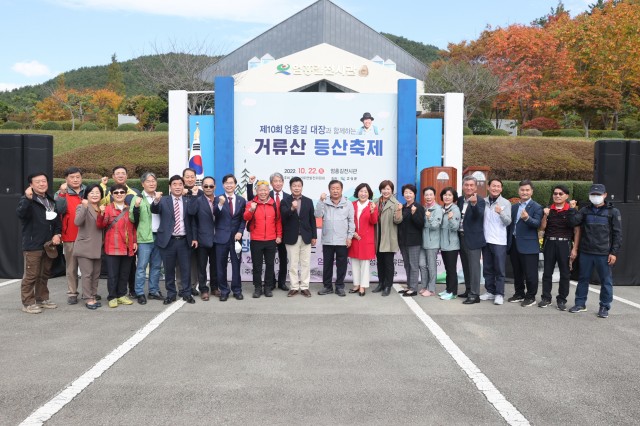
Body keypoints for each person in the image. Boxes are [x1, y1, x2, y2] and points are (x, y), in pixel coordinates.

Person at [568, 184, 622, 318]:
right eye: (593, 194)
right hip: (586, 251)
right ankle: (580, 304)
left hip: (604, 253)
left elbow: (617, 234)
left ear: (605, 195)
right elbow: (573, 222)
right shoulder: (585, 210)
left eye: (598, 195)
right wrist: (571, 209)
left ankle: (604, 307)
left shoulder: (613, 212)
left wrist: (613, 252)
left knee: (606, 281)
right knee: (583, 279)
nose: (595, 197)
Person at [17, 172, 62, 314]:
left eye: (44, 181)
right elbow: (21, 214)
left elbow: (56, 222)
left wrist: (57, 234)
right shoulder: (27, 200)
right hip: (33, 244)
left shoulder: (50, 201)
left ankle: (42, 299)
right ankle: (27, 303)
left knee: (44, 273)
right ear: (31, 185)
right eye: (38, 182)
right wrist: (28, 199)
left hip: (49, 244)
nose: (42, 184)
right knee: (31, 275)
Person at [151, 175, 197, 305]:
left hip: (184, 240)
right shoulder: (163, 200)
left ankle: (187, 293)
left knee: (185, 269)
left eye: (180, 184)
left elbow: (193, 217)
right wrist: (155, 200)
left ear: (183, 186)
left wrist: (194, 237)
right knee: (169, 269)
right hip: (168, 241)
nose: (177, 187)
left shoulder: (188, 200)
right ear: (170, 187)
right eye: (174, 184)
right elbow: (154, 210)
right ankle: (171, 294)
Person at [99, 165, 140, 298]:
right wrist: (103, 186)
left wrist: (134, 241)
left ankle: (129, 292)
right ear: (113, 176)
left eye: (123, 173)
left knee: (127, 271)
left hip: (128, 243)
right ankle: (112, 296)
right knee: (113, 272)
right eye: (118, 173)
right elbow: (101, 220)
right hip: (113, 243)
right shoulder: (107, 196)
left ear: (127, 176)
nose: (119, 194)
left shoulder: (134, 195)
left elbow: (135, 223)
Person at [539, 185, 580, 311]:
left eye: (560, 194)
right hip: (550, 243)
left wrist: (575, 249)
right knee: (547, 273)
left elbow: (577, 231)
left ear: (566, 196)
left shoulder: (571, 210)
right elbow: (542, 228)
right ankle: (546, 298)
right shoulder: (548, 210)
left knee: (565, 274)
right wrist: (545, 215)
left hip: (565, 244)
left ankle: (562, 300)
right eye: (555, 193)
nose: (557, 196)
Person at [247, 173, 289, 291]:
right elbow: (250, 198)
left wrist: (279, 234)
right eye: (275, 181)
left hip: (281, 233)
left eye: (280, 181)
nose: (278, 183)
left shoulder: (287, 196)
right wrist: (250, 184)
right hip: (261, 236)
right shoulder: (265, 195)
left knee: (282, 259)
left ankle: (281, 282)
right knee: (260, 265)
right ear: (271, 184)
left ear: (283, 182)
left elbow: (282, 218)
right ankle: (265, 285)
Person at [315, 180, 355, 297]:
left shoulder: (348, 203)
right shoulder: (324, 202)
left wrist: (349, 237)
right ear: (329, 190)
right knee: (327, 264)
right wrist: (320, 201)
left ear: (341, 190)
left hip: (342, 240)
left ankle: (339, 286)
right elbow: (317, 215)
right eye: (333, 188)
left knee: (341, 264)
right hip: (328, 239)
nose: (335, 190)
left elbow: (351, 222)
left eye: (338, 188)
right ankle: (327, 286)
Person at [507, 179, 543, 307]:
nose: (525, 192)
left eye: (527, 190)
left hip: (529, 246)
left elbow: (537, 224)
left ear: (532, 191)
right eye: (522, 190)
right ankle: (519, 293)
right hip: (514, 244)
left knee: (530, 273)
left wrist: (527, 218)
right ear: (518, 191)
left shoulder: (537, 207)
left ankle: (531, 296)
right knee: (517, 272)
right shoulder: (514, 207)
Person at [130, 172, 164, 305]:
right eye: (148, 181)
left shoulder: (160, 197)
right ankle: (139, 292)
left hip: (159, 236)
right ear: (142, 184)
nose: (152, 183)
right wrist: (137, 206)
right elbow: (132, 218)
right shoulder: (137, 198)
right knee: (142, 267)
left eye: (154, 181)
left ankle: (153, 291)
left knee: (156, 266)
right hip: (144, 237)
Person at [244, 180, 282, 298]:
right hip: (256, 239)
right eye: (260, 190)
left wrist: (279, 235)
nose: (263, 192)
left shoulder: (274, 204)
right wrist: (251, 209)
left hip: (271, 240)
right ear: (256, 191)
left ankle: (268, 287)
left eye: (265, 190)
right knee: (257, 266)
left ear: (268, 191)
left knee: (270, 265)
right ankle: (257, 288)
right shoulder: (251, 203)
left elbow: (278, 221)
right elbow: (245, 217)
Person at [280, 177, 317, 298]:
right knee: (293, 264)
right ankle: (294, 287)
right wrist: (292, 208)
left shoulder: (308, 201)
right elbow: (283, 217)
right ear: (290, 187)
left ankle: (305, 287)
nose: (296, 188)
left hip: (306, 236)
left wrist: (314, 236)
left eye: (299, 186)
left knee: (305, 263)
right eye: (294, 186)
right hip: (291, 237)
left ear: (302, 187)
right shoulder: (285, 201)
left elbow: (312, 219)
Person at [54, 166, 86, 305]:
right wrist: (62, 193)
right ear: (66, 179)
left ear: (81, 178)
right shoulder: (60, 193)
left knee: (88, 267)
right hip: (70, 235)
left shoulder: (88, 191)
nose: (75, 179)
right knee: (71, 267)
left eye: (78, 177)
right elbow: (59, 210)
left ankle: (89, 292)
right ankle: (72, 292)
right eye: (72, 177)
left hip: (88, 236)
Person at [213, 174, 247, 301]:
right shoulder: (218, 199)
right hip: (221, 238)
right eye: (226, 183)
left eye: (231, 183)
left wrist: (240, 231)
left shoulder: (241, 200)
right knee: (221, 266)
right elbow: (214, 213)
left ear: (235, 184)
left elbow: (243, 219)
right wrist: (220, 204)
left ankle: (237, 290)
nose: (229, 185)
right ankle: (224, 291)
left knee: (236, 265)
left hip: (236, 239)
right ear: (223, 185)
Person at [479, 179, 512, 305]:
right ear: (488, 187)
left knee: (499, 269)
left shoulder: (505, 203)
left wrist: (501, 212)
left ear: (501, 189)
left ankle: (499, 294)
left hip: (499, 241)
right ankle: (490, 291)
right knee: (487, 268)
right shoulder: (483, 201)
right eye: (493, 186)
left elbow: (508, 222)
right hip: (486, 240)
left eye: (498, 186)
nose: (496, 188)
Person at [188, 176, 219, 300]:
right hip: (202, 239)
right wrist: (194, 196)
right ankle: (203, 289)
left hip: (217, 239)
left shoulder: (220, 200)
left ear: (215, 187)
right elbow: (192, 215)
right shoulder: (198, 200)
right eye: (205, 186)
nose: (208, 188)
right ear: (202, 187)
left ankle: (215, 287)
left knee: (215, 266)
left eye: (211, 186)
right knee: (201, 266)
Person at [73, 184, 104, 310]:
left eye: (97, 192)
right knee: (87, 274)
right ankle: (88, 298)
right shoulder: (81, 206)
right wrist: (85, 207)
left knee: (96, 274)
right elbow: (77, 222)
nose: (95, 195)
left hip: (98, 247)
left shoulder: (102, 208)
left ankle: (93, 295)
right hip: (85, 246)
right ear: (87, 195)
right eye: (92, 192)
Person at [457, 176, 486, 304]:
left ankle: (475, 295)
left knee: (474, 268)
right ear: (463, 187)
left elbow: (478, 215)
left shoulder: (480, 201)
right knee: (466, 266)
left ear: (475, 187)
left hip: (474, 239)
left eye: (471, 185)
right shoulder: (459, 200)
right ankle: (468, 289)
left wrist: (473, 204)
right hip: (461, 237)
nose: (469, 187)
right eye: (466, 185)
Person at [372, 180, 402, 297]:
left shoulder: (395, 203)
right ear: (380, 190)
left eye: (388, 189)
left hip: (389, 237)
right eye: (384, 189)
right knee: (380, 262)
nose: (386, 191)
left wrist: (399, 210)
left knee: (388, 263)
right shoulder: (375, 202)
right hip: (378, 236)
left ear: (392, 190)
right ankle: (381, 283)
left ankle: (388, 285)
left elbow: (398, 220)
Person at [348, 183, 378, 296]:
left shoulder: (372, 205)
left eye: (365, 191)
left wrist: (372, 211)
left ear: (369, 193)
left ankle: (363, 286)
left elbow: (374, 221)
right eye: (361, 191)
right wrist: (353, 233)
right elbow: (348, 220)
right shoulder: (352, 204)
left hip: (366, 239)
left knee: (365, 264)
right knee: (354, 262)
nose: (363, 194)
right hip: (354, 238)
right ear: (357, 192)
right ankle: (356, 284)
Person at [397, 184, 425, 297]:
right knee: (407, 265)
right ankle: (409, 286)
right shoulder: (402, 207)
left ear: (414, 194)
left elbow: (421, 224)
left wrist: (414, 214)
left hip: (414, 241)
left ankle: (413, 288)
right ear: (403, 194)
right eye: (406, 192)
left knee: (413, 265)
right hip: (403, 241)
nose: (408, 194)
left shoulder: (418, 207)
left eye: (410, 192)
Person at [179, 167, 202, 297]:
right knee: (180, 262)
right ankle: (181, 287)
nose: (190, 179)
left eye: (192, 176)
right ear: (183, 178)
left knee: (194, 262)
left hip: (196, 232)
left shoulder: (200, 193)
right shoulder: (178, 192)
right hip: (181, 232)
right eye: (187, 176)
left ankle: (193, 285)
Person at [419, 186, 443, 297]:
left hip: (432, 243)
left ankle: (432, 289)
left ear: (434, 196)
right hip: (423, 242)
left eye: (430, 195)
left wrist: (429, 217)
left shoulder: (438, 209)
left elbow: (434, 226)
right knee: (422, 264)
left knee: (432, 266)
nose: (428, 197)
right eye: (426, 195)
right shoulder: (424, 208)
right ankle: (424, 286)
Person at [439, 187, 461, 300]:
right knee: (447, 269)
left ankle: (453, 292)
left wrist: (451, 218)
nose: (446, 197)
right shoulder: (442, 209)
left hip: (452, 245)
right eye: (445, 194)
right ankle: (448, 289)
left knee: (451, 269)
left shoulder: (455, 210)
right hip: (443, 245)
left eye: (449, 195)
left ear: (454, 198)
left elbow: (455, 227)